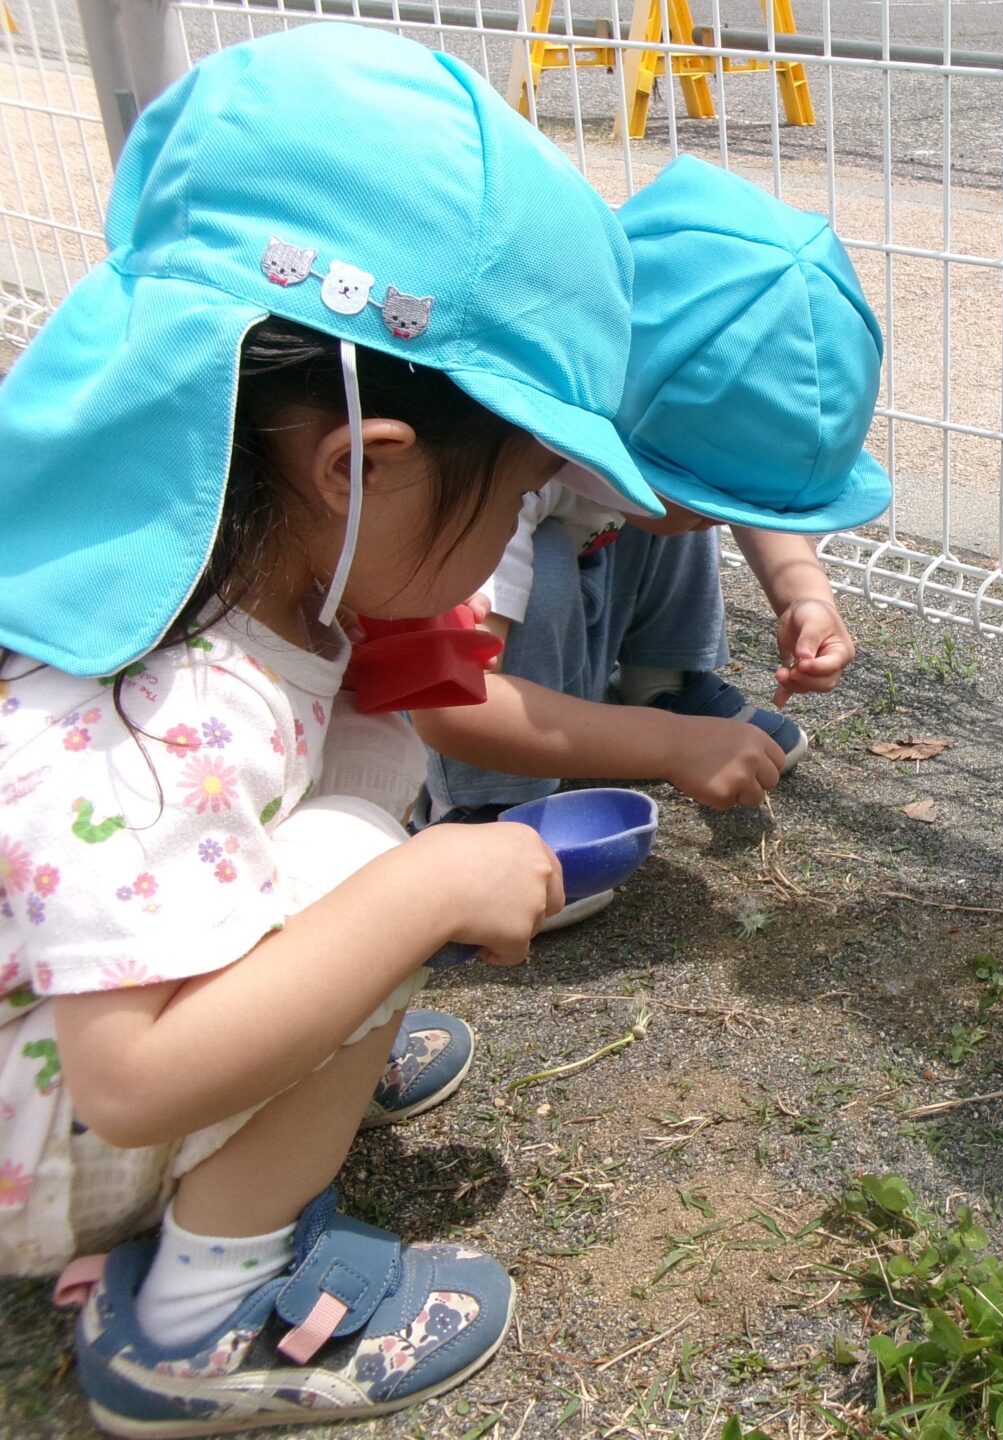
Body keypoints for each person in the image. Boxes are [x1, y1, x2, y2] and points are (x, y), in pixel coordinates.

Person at [0, 25, 664, 1434]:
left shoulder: (211, 580)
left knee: (372, 792)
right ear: (360, 468)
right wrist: (423, 895)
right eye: (513, 498)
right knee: (375, 876)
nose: (509, 540)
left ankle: (287, 1056)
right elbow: (128, 1083)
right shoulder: (154, 706)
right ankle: (197, 1319)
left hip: (45, 1059)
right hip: (50, 1135)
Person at [414, 155, 891, 918]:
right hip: (441, 696)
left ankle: (661, 684)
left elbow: (721, 496)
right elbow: (451, 703)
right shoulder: (502, 459)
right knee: (562, 558)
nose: (727, 520)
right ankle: (481, 810)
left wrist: (804, 596)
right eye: (719, 502)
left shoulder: (623, 412)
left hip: (571, 618)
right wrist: (665, 748)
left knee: (666, 512)